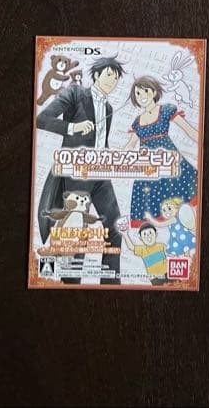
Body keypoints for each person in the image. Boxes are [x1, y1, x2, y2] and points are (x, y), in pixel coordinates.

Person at [36, 55, 126, 284]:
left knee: (115, 226)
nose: (112, 81)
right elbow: (42, 119)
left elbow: (101, 142)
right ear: (96, 75)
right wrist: (73, 127)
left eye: (116, 78)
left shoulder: (109, 107)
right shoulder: (75, 93)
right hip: (76, 171)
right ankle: (71, 286)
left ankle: (111, 285)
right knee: (78, 231)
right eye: (108, 75)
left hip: (100, 173)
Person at [119, 76, 200, 229]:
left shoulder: (165, 110)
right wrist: (113, 159)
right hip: (148, 167)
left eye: (145, 91)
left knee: (183, 202)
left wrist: (205, 143)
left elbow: (189, 131)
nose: (141, 96)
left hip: (169, 161)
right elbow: (130, 145)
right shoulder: (137, 122)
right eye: (137, 94)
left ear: (154, 91)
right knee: (153, 206)